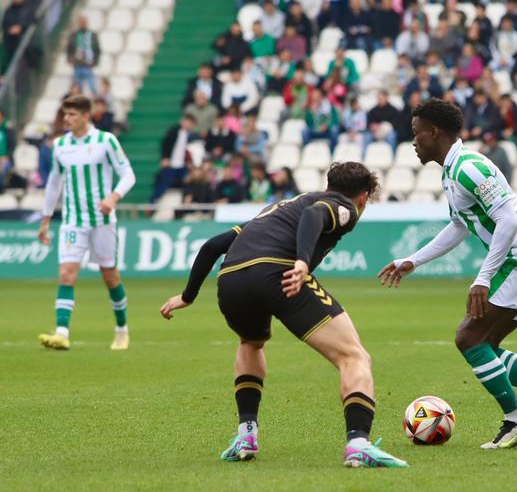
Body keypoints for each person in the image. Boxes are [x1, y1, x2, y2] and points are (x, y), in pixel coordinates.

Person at [159, 162, 408, 468]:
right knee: (353, 356)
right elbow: (314, 216)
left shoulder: (279, 208)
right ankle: (358, 444)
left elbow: (213, 245)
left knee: (251, 343)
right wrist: (302, 262)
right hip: (277, 272)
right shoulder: (344, 207)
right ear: (364, 196)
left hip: (231, 280)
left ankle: (246, 435)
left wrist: (187, 296)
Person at [378, 99, 517, 450]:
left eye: (417, 134)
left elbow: (507, 220)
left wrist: (483, 278)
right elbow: (459, 226)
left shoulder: (469, 167)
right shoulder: (452, 171)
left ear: (435, 132)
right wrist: (413, 260)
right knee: (485, 345)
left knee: (467, 338)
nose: (414, 142)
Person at [37, 95, 136, 351]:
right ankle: (61, 332)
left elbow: (128, 174)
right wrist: (45, 219)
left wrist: (114, 196)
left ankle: (122, 329)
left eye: (71, 115)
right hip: (72, 221)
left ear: (85, 116)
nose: (66, 119)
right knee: (66, 274)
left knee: (110, 277)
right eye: (65, 114)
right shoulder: (60, 145)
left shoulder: (105, 141)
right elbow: (54, 184)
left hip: (102, 220)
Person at [66, 14, 101, 95]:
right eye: (81, 23)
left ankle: (96, 102)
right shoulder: (74, 35)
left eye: (84, 22)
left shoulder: (92, 35)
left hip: (88, 65)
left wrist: (95, 62)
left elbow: (97, 50)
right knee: (77, 87)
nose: (82, 24)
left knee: (93, 87)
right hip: (77, 64)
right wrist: (70, 60)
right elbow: (69, 49)